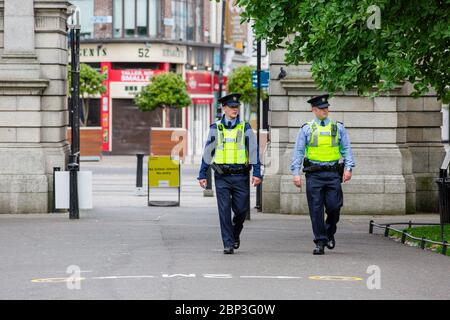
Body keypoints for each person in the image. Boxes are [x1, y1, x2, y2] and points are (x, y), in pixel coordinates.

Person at [198, 93, 262, 254]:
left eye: (236, 107)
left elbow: (253, 151)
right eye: (232, 107)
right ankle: (227, 243)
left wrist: (257, 173)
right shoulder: (216, 128)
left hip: (241, 176)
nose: (235, 109)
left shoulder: (245, 127)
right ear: (224, 108)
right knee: (224, 210)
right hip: (222, 176)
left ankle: (234, 234)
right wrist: (202, 174)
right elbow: (208, 152)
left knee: (241, 211)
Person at [291, 94, 355, 255]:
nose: (325, 110)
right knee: (316, 209)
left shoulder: (337, 127)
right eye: (321, 108)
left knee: (334, 207)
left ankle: (329, 232)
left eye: (326, 108)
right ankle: (320, 241)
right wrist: (295, 173)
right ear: (314, 110)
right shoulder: (307, 128)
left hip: (333, 174)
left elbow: (346, 149)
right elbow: (298, 152)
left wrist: (348, 168)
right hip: (314, 175)